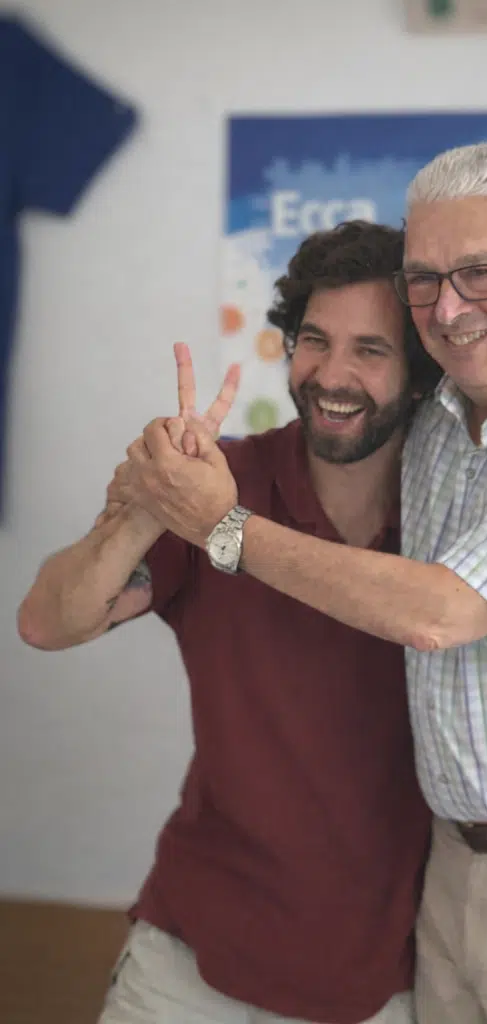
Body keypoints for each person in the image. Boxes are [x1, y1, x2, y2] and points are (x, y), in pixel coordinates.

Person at [106, 144, 487, 1024]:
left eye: (481, 272)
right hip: (451, 881)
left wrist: (221, 525)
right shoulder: (439, 414)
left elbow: (438, 612)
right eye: (424, 279)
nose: (448, 308)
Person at [17, 221, 442, 1024]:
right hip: (188, 960)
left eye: (370, 350)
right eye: (314, 340)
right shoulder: (224, 483)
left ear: (420, 376)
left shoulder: (451, 516)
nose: (332, 375)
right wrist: (151, 505)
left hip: (381, 981)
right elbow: (47, 623)